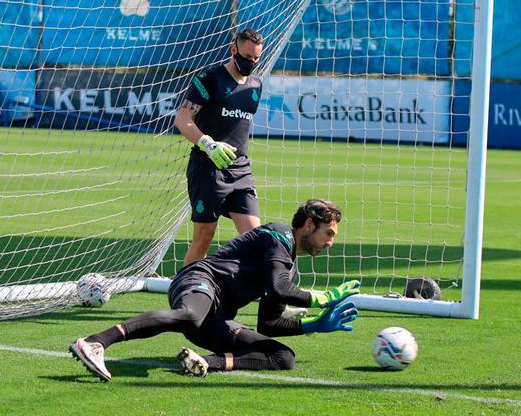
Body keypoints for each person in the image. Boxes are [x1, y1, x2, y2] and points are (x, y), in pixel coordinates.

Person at [69, 199, 360, 382]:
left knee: (283, 357)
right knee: (191, 315)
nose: (330, 242)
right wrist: (325, 297)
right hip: (199, 280)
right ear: (309, 224)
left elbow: (269, 323)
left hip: (215, 315)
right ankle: (95, 342)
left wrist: (315, 325)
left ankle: (203, 363)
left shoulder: (288, 265)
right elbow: (280, 289)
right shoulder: (278, 236)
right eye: (329, 233)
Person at [174, 28, 266, 266]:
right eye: (246, 57)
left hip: (240, 169)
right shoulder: (209, 78)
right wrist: (209, 144)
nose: (251, 63)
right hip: (208, 168)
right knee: (204, 237)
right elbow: (182, 120)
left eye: (256, 58)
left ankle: (274, 300)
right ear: (233, 49)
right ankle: (186, 291)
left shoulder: (256, 85)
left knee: (256, 240)